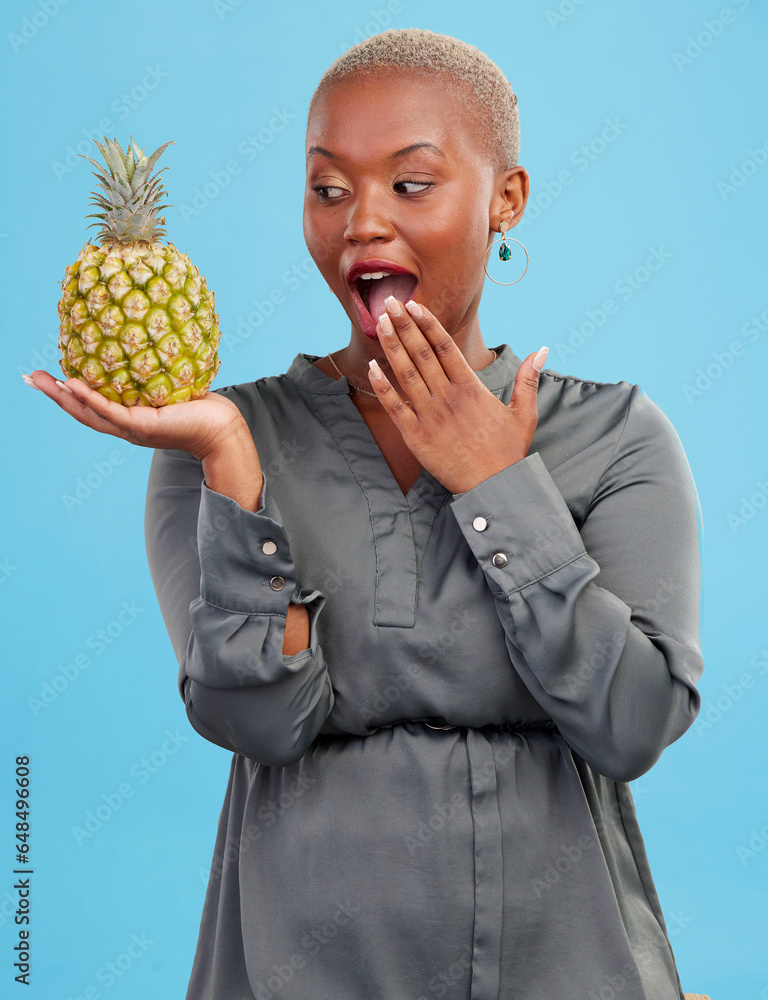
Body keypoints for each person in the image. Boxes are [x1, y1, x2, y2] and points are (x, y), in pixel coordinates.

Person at [25, 27, 705, 1000]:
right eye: (329, 187)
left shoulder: (617, 434)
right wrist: (229, 469)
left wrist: (497, 487)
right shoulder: (223, 437)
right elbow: (255, 716)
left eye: (410, 183)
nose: (362, 224)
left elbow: (633, 721)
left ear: (505, 197)